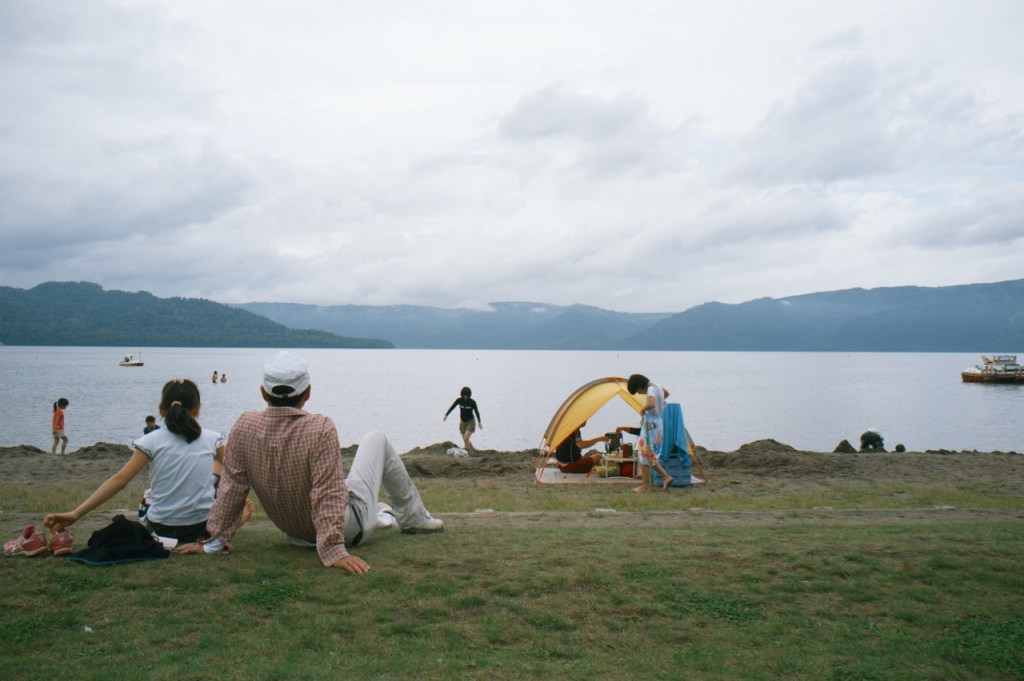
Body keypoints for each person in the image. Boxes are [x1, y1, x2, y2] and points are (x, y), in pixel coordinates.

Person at [179, 351, 444, 574]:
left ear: (263, 392)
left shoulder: (244, 426)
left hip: (298, 535)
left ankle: (383, 515)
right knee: (377, 439)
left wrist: (214, 542)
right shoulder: (320, 427)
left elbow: (231, 488)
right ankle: (413, 519)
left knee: (350, 489)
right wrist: (333, 550)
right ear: (307, 392)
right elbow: (327, 494)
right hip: (343, 529)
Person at [45, 379, 232, 545]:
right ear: (198, 408)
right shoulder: (212, 439)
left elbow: (120, 480)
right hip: (201, 528)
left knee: (149, 495)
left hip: (161, 529)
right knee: (218, 467)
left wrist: (76, 513)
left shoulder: (152, 440)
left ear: (161, 409)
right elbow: (236, 471)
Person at [626, 374, 675, 492]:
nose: (639, 393)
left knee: (644, 454)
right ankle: (666, 477)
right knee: (649, 454)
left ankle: (645, 486)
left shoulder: (650, 389)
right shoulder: (656, 385)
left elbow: (651, 404)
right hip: (658, 423)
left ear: (640, 386)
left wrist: (642, 409)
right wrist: (660, 404)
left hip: (651, 425)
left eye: (638, 391)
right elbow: (666, 394)